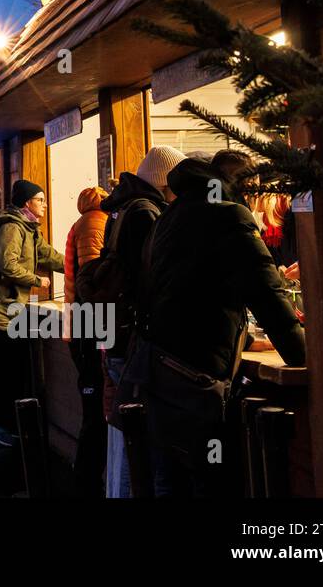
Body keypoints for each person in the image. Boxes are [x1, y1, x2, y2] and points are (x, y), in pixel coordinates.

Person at [121, 157, 306, 497]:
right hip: (194, 379)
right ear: (243, 184)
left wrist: (246, 338)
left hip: (157, 372)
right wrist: (305, 353)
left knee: (171, 481)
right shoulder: (228, 216)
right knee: (212, 482)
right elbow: (267, 298)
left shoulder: (171, 215)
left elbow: (187, 293)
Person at [98, 144, 184, 496]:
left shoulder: (121, 210)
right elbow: (152, 276)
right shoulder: (147, 213)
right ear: (165, 182)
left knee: (125, 434)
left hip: (116, 331)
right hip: (134, 336)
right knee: (141, 441)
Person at [0, 180, 59, 444]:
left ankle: (5, 426)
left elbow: (47, 255)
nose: (44, 204)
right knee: (2, 373)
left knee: (10, 371)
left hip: (9, 313)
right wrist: (36, 280)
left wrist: (75, 263)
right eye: (40, 200)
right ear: (26, 203)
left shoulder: (29, 229)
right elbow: (6, 264)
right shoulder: (12, 228)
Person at [63, 185, 108, 498]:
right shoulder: (96, 222)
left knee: (92, 406)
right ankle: (88, 484)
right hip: (89, 325)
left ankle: (87, 480)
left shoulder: (84, 222)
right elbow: (92, 277)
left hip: (80, 323)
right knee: (95, 411)